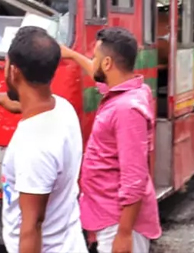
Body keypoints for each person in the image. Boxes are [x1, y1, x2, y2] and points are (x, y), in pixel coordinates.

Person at [0, 26, 87, 253]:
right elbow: (25, 104)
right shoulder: (62, 108)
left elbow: (32, 227)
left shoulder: (36, 147)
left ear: (13, 71)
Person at [61, 27, 161, 253]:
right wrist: (73, 55)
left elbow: (134, 178)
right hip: (108, 217)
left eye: (95, 57)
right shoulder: (131, 91)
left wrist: (124, 235)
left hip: (118, 224)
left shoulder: (126, 109)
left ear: (107, 64)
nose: (92, 61)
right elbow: (100, 80)